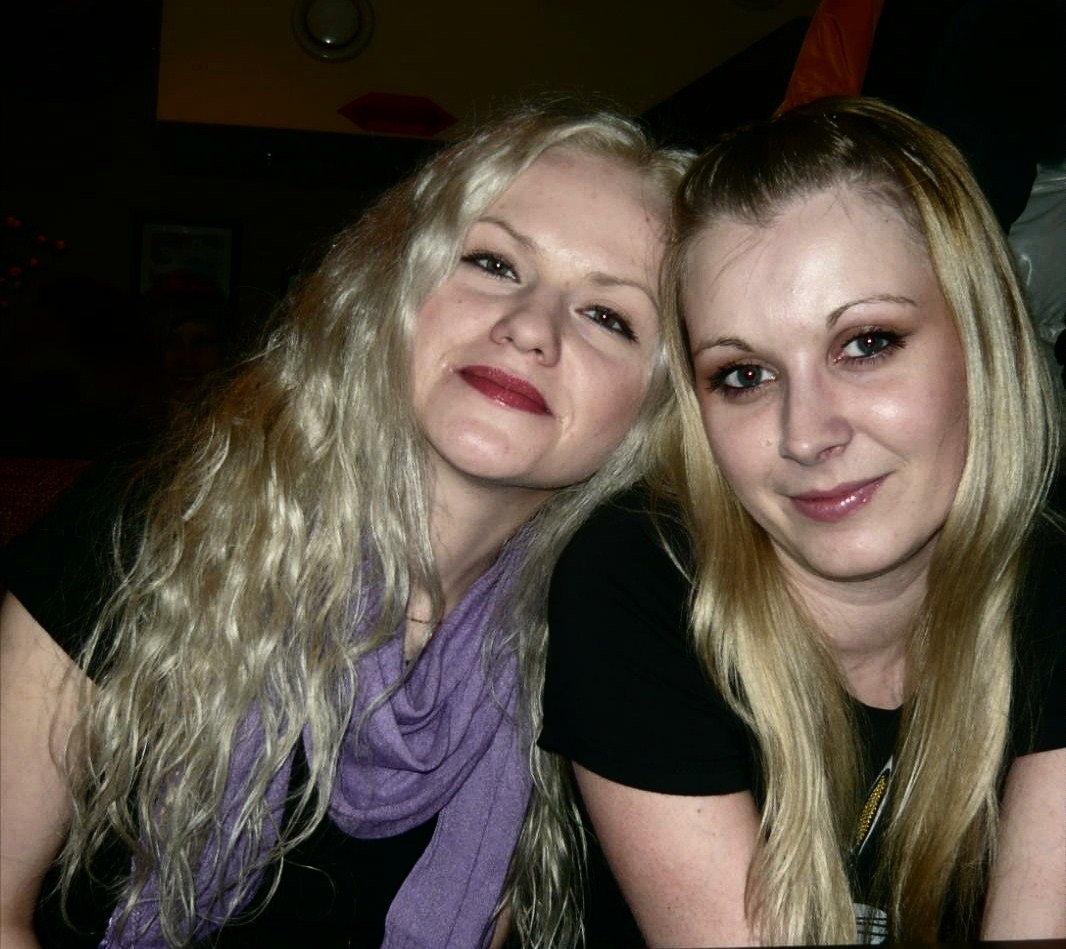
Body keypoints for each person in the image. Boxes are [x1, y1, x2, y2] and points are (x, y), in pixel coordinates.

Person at [0, 105, 690, 949]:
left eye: (609, 316)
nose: (530, 327)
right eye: (494, 262)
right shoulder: (157, 528)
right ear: (397, 286)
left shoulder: (598, 663)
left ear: (656, 409)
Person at [540, 97, 1064, 945]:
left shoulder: (1053, 580)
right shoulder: (636, 583)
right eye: (743, 374)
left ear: (983, 337)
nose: (807, 435)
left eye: (867, 343)